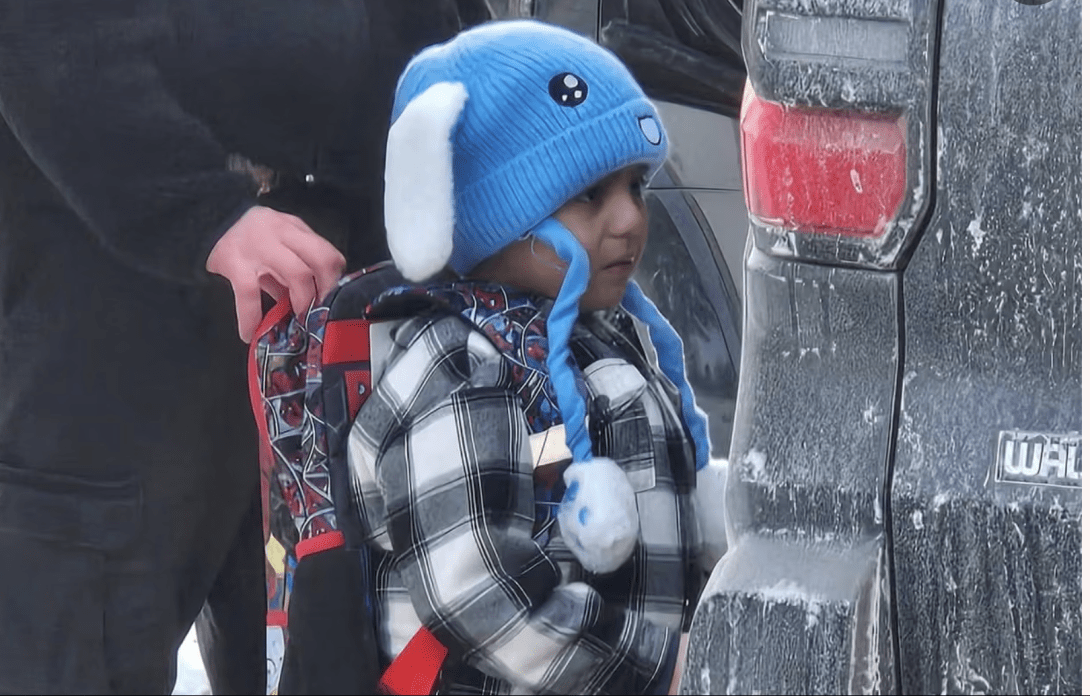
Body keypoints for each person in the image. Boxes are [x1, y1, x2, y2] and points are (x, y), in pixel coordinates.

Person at [0, 1, 485, 693]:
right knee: (83, 643)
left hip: (338, 300)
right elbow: (43, 30)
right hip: (115, 305)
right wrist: (199, 209)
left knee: (321, 646)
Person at [343, 19, 729, 694]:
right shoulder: (458, 365)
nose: (630, 218)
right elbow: (475, 588)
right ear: (500, 212)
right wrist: (659, 668)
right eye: (588, 194)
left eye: (635, 186)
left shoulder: (605, 337)